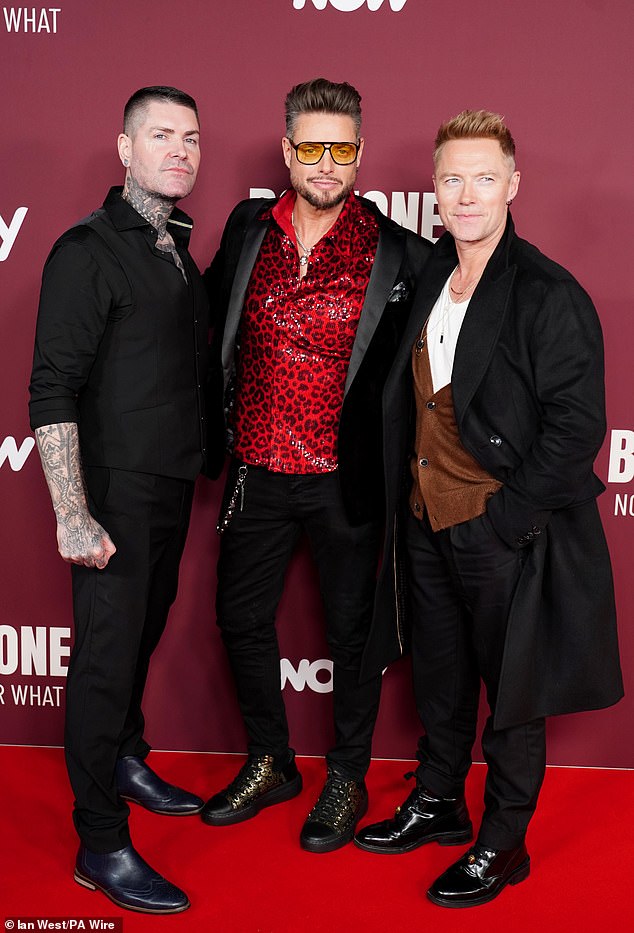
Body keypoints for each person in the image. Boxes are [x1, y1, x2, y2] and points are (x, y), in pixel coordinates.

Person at [355, 110, 623, 906]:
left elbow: (579, 427)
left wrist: (507, 523)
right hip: (425, 522)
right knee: (439, 679)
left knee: (512, 697)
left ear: (513, 184)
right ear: (434, 190)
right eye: (451, 178)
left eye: (482, 177)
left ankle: (503, 842)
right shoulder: (433, 273)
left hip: (502, 531)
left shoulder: (548, 293)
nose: (466, 194)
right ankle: (439, 802)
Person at [200, 77, 430, 852]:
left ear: (359, 152)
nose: (324, 163)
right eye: (310, 147)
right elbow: (198, 323)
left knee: (352, 634)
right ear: (287, 148)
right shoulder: (246, 230)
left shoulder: (399, 251)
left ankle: (346, 773)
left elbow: (470, 311)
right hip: (257, 466)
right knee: (238, 617)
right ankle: (271, 759)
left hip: (345, 478)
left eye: (340, 148)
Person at [29, 86, 210, 914]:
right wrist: (72, 511)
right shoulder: (86, 250)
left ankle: (126, 755)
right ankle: (100, 841)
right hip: (112, 498)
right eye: (161, 135)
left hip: (171, 489)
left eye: (191, 138)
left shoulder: (175, 246)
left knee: (138, 639)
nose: (179, 149)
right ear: (125, 148)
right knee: (103, 664)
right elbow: (53, 388)